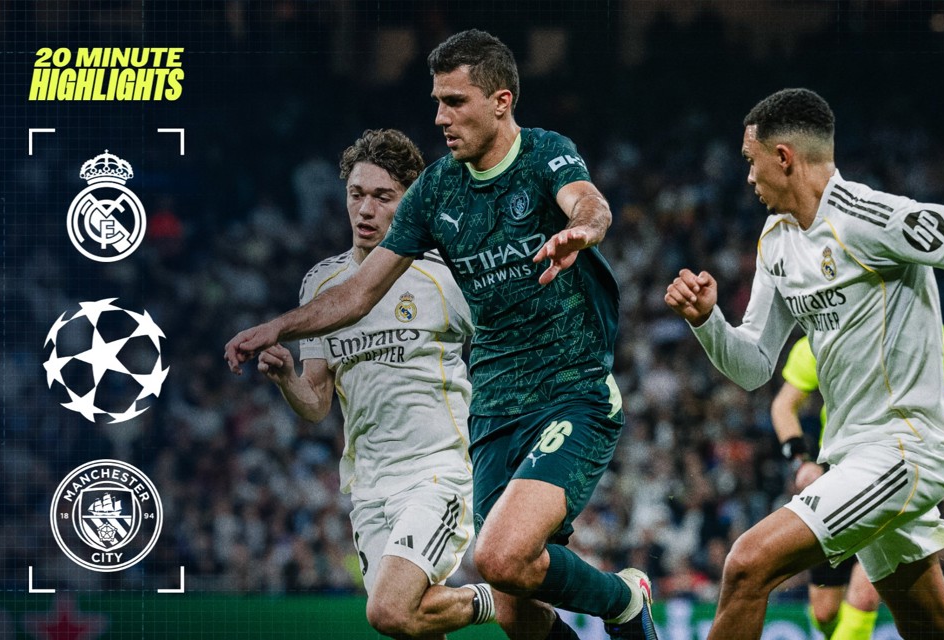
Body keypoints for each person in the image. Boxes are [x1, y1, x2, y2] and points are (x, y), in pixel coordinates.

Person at [226, 30, 656, 640]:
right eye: (437, 101)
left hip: (570, 390)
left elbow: (590, 203)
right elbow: (357, 292)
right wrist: (280, 326)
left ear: (501, 101)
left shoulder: (542, 153)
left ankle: (624, 602)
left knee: (499, 558)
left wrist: (579, 232)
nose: (440, 117)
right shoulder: (435, 191)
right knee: (512, 602)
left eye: (455, 101)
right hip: (494, 412)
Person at [665, 87, 944, 639]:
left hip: (904, 449)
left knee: (746, 565)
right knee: (934, 622)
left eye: (751, 161)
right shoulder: (776, 241)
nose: (748, 178)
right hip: (854, 454)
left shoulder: (870, 217)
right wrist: (708, 321)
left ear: (783, 156)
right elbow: (755, 365)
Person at [256, 129, 493, 639]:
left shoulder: (444, 276)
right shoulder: (320, 284)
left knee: (387, 610)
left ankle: (499, 600)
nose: (365, 209)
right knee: (411, 624)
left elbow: (504, 349)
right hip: (367, 486)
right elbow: (317, 402)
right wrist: (284, 378)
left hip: (436, 473)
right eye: (356, 194)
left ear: (408, 201)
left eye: (383, 197)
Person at [771, 329, 944, 640]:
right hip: (837, 476)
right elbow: (784, 405)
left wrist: (942, 457)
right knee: (826, 612)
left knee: (866, 596)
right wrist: (802, 462)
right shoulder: (826, 333)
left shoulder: (934, 336)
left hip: (899, 473)